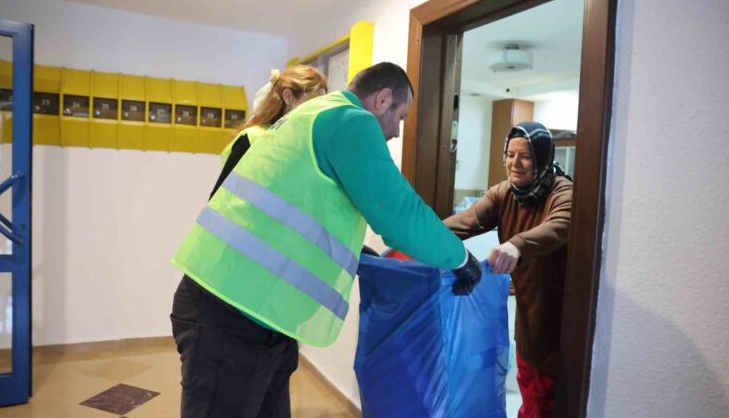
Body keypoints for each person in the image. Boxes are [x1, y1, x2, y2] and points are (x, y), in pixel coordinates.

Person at [170, 62, 483, 418]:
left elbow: (303, 207)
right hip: (230, 313)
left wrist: (351, 251)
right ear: (382, 100)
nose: (397, 132)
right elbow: (398, 213)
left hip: (254, 308)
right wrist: (460, 259)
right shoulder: (351, 120)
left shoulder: (315, 114)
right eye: (401, 116)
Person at [443, 122, 573, 418]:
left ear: (542, 158)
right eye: (510, 154)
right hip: (527, 311)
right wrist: (414, 238)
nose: (515, 163)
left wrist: (516, 245)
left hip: (558, 315)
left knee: (546, 397)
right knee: (529, 387)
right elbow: (465, 221)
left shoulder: (562, 191)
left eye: (525, 156)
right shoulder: (504, 193)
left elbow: (562, 223)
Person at [212, 65, 328, 198]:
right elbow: (219, 199)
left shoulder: (303, 145)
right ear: (288, 97)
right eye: (311, 106)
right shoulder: (252, 139)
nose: (315, 113)